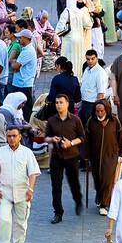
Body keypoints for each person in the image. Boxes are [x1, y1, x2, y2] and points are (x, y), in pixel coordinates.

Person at [0, 125, 40, 243]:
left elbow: (33, 173)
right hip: (4, 192)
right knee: (3, 219)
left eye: (14, 136)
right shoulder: (0, 152)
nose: (11, 139)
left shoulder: (27, 152)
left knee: (20, 222)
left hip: (22, 192)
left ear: (20, 137)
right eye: (9, 136)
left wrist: (31, 189)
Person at [44, 93, 86, 223]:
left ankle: (78, 200)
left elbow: (82, 137)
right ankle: (58, 212)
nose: (58, 105)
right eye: (56, 102)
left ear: (67, 104)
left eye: (61, 102)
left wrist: (71, 143)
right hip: (56, 157)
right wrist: (52, 139)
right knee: (56, 186)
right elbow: (46, 137)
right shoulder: (51, 121)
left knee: (74, 183)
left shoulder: (75, 120)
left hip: (72, 156)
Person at [85, 99, 122, 216]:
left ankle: (104, 204)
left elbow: (121, 138)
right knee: (98, 179)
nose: (99, 113)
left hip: (111, 155)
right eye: (97, 111)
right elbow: (86, 140)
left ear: (106, 110)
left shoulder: (115, 121)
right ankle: (99, 196)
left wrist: (121, 154)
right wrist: (86, 155)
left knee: (107, 179)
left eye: (101, 111)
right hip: (95, 156)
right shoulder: (91, 122)